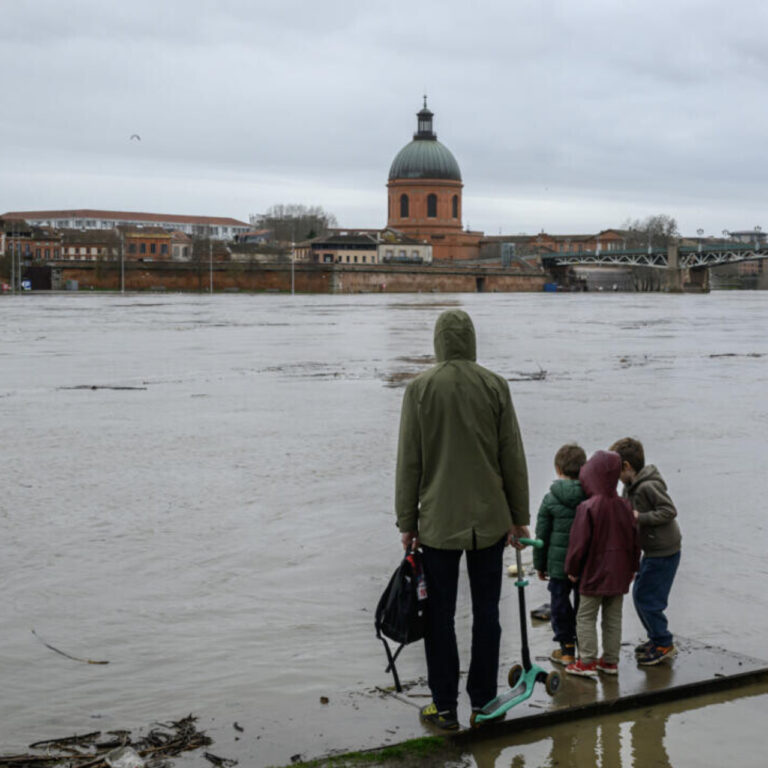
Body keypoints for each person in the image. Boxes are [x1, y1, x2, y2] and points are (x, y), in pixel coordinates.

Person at [395, 309, 530, 731]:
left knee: (440, 617)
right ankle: (484, 701)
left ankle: (445, 707)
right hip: (490, 520)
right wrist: (519, 517)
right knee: (488, 612)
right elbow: (512, 455)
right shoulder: (496, 385)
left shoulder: (419, 389)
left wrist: (406, 521)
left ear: (438, 342)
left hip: (438, 523)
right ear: (471, 339)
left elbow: (409, 462)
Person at [564, 450, 640, 677]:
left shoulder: (588, 507)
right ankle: (610, 661)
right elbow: (635, 541)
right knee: (613, 618)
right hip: (619, 572)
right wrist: (633, 567)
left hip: (593, 573)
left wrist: (572, 569)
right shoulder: (625, 506)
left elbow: (578, 544)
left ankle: (587, 661)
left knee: (585, 616)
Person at [610, 437, 682, 665]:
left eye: (617, 470)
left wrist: (640, 517)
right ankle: (656, 638)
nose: (615, 476)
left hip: (665, 551)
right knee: (640, 594)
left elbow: (669, 511)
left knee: (648, 599)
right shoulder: (629, 487)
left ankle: (664, 642)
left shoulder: (649, 486)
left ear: (627, 466)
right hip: (651, 551)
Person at [533, 443, 587, 667]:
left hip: (558, 565)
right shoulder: (590, 496)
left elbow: (541, 535)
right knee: (584, 607)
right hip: (584, 564)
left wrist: (539, 565)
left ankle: (566, 650)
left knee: (559, 605)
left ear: (557, 469)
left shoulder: (550, 499)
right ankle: (586, 650)